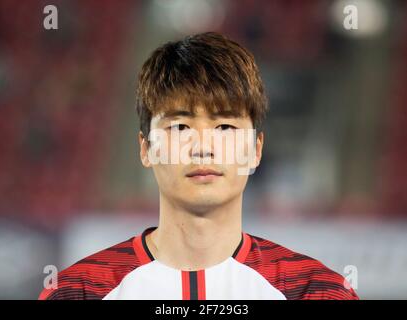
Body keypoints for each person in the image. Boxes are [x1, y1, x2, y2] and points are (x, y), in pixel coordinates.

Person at [39, 32, 358, 300]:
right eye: (180, 127)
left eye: (225, 127)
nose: (204, 148)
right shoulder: (78, 292)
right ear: (146, 149)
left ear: (255, 151)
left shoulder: (317, 292)